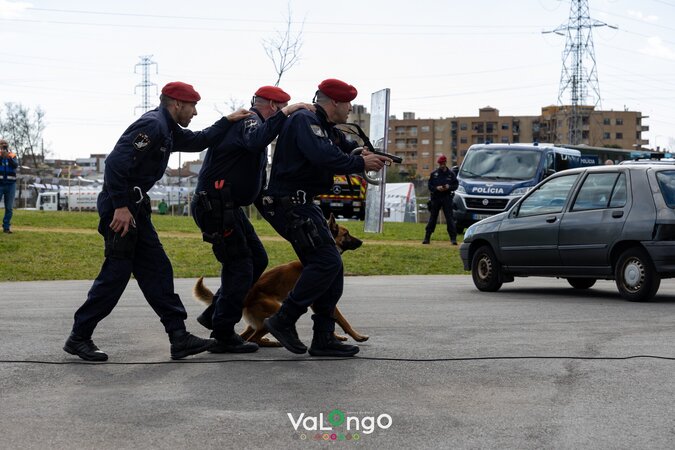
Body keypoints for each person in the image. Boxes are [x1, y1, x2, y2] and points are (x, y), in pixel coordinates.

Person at [64, 81, 250, 362]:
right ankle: (79, 336)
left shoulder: (168, 129)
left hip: (135, 208)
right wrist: (121, 206)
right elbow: (115, 163)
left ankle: (179, 337)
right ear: (177, 104)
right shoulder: (153, 125)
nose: (195, 112)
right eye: (193, 106)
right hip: (121, 208)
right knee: (116, 274)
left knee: (157, 270)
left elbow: (199, 140)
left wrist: (227, 121)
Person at [261, 78, 389, 357]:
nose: (350, 109)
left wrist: (363, 153)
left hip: (303, 204)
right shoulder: (304, 121)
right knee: (326, 261)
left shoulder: (325, 127)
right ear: (335, 102)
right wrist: (360, 163)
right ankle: (283, 320)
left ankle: (323, 337)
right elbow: (323, 156)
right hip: (290, 205)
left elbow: (342, 146)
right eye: (348, 103)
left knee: (332, 267)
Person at [191, 85, 314, 353]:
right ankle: (223, 333)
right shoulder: (250, 121)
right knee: (240, 267)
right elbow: (255, 140)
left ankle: (214, 314)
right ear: (273, 106)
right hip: (216, 207)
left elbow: (256, 183)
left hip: (228, 207)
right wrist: (288, 113)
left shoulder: (253, 125)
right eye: (283, 110)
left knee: (257, 258)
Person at [423, 154, 458, 245]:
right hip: (436, 197)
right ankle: (427, 237)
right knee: (433, 218)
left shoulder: (451, 174)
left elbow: (456, 185)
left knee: (450, 218)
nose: (441, 165)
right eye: (440, 163)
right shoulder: (434, 174)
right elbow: (430, 186)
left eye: (443, 163)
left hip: (447, 197)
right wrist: (436, 188)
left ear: (445, 162)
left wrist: (449, 187)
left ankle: (453, 239)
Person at [0, 139, 18, 234]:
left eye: (5, 144)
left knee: (9, 208)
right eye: (2, 144)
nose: (4, 145)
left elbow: (15, 165)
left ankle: (6, 227)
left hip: (11, 184)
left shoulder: (12, 155)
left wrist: (8, 157)